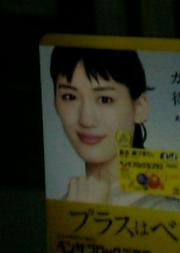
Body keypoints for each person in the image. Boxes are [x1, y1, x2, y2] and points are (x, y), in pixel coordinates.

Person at [50, 45, 180, 209]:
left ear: (139, 108)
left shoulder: (164, 208)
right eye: (70, 97)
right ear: (55, 104)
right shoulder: (68, 201)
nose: (86, 120)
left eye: (105, 99)